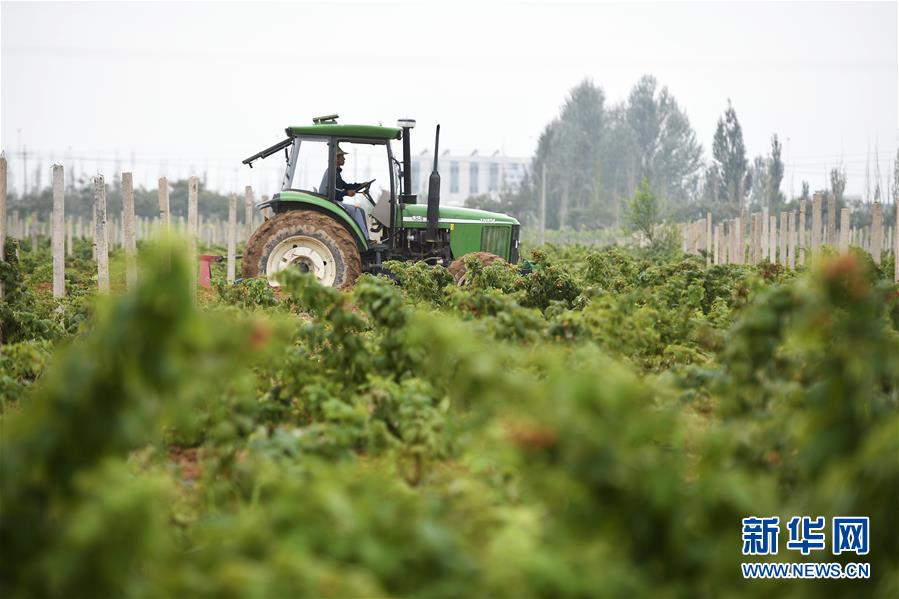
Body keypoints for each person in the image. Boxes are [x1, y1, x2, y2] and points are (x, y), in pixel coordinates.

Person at [319, 146, 369, 240]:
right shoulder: (331, 172)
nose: (344, 158)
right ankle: (365, 239)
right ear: (336, 158)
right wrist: (346, 193)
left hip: (334, 201)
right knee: (356, 210)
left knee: (361, 211)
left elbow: (344, 185)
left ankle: (366, 238)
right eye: (342, 156)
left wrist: (360, 185)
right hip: (331, 202)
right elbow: (332, 191)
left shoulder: (336, 172)